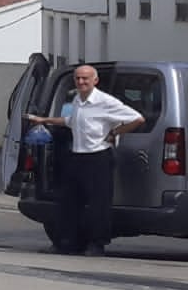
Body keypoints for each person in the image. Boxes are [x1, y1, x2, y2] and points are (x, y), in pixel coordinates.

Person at [26, 64, 144, 255]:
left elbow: (138, 119)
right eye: (78, 78)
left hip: (98, 157)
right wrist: (44, 120)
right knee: (68, 201)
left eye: (85, 78)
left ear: (95, 81)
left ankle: (97, 244)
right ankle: (67, 243)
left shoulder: (105, 101)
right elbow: (70, 121)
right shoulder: (77, 100)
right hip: (77, 156)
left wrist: (114, 132)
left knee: (98, 204)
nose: (81, 82)